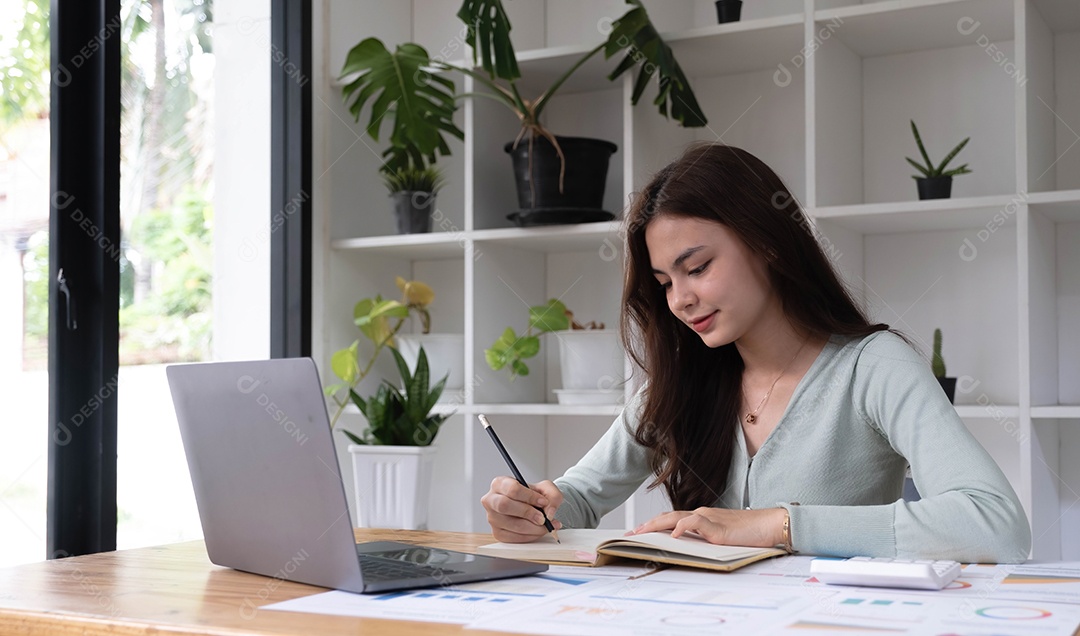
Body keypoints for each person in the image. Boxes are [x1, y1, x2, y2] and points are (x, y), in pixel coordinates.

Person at [480, 142, 1031, 563]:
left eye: (697, 268)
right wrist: (533, 513)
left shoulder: (872, 366)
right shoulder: (678, 383)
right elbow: (576, 500)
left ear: (767, 242)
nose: (681, 299)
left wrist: (779, 526)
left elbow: (995, 523)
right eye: (665, 282)